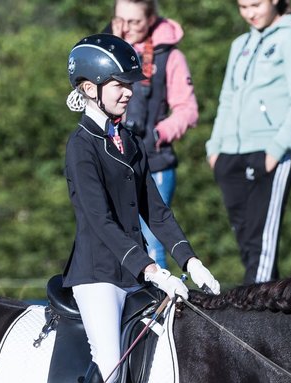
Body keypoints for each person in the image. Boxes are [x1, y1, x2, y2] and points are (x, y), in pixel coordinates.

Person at [46, 33, 220, 383]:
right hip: (99, 274)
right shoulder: (81, 147)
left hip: (135, 272)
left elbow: (155, 209)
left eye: (130, 84)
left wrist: (188, 259)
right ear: (88, 87)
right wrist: (148, 267)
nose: (129, 92)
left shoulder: (128, 141)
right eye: (119, 85)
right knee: (110, 362)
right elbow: (98, 223)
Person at [205, 0, 291, 285]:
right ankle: (270, 322)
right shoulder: (240, 43)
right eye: (243, 6)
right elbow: (227, 99)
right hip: (229, 155)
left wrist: (276, 150)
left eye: (256, 4)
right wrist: (215, 149)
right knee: (248, 248)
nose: (250, 13)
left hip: (267, 154)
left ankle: (252, 321)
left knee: (261, 252)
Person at [110, 0, 199, 269]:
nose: (126, 28)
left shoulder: (169, 57)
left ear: (151, 19)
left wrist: (157, 133)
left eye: (134, 22)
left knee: (152, 237)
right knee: (116, 236)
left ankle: (157, 303)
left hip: (154, 162)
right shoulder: (106, 51)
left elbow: (188, 110)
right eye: (120, 20)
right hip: (114, 159)